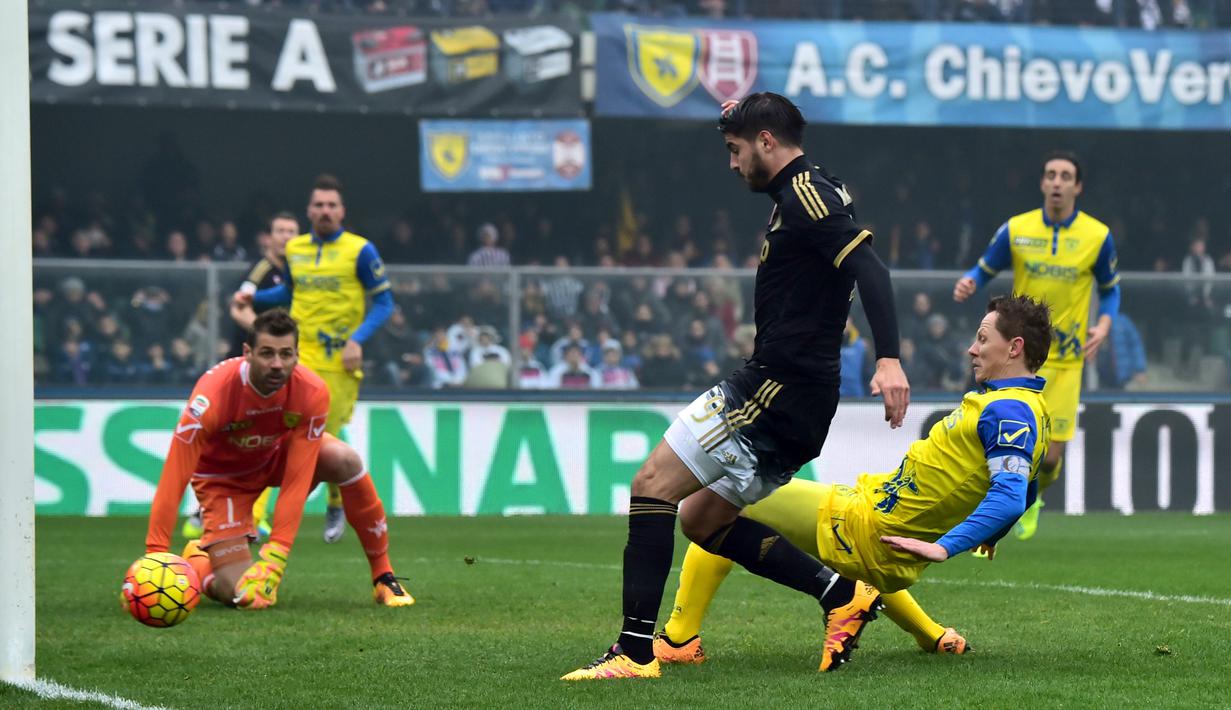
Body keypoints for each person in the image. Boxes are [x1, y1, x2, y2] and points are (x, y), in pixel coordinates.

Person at [563, 93, 909, 681]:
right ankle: (840, 594)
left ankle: (633, 653)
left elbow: (871, 268)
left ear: (766, 141)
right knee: (701, 521)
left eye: (735, 149)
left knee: (651, 487)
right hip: (800, 399)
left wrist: (889, 359)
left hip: (774, 390)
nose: (732, 163)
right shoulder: (808, 191)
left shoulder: (807, 194)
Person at [656, 295, 1051, 669]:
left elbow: (1011, 497)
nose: (972, 349)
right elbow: (1028, 482)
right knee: (732, 506)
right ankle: (932, 634)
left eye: (983, 339)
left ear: (1014, 347)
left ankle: (679, 639)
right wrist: (993, 533)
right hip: (877, 521)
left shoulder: (1008, 412)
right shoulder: (1032, 409)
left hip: (865, 524)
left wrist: (945, 547)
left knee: (720, 504)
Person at [143, 310, 414, 609]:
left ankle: (384, 577)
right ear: (247, 353)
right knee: (244, 595)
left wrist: (276, 557)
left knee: (343, 459)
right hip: (225, 481)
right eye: (267, 353)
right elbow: (175, 476)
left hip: (274, 458)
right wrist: (155, 555)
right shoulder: (211, 397)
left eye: (286, 354)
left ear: (297, 355)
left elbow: (297, 478)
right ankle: (197, 561)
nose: (277, 364)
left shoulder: (311, 391)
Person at [954, 150, 1120, 541]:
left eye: (1065, 176)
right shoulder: (1017, 229)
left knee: (1048, 458)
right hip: (1020, 356)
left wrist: (1104, 325)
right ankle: (990, 510)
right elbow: (984, 266)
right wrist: (970, 281)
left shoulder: (1098, 236)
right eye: (1051, 175)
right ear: (1043, 183)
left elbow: (1111, 290)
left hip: (1066, 360)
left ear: (1077, 187)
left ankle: (1034, 497)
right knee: (1002, 440)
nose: (1057, 182)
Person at [237, 175, 396, 544]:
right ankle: (254, 519)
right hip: (297, 357)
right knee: (276, 431)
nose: (325, 211)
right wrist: (254, 299)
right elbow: (289, 293)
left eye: (331, 205)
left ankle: (335, 501)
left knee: (326, 436)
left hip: (339, 359)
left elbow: (385, 302)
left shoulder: (361, 250)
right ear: (309, 211)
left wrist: (357, 340)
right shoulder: (296, 250)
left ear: (342, 211)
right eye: (319, 205)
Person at [184, 212, 301, 541]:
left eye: (292, 231)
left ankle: (244, 512)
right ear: (269, 237)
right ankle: (207, 508)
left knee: (268, 439)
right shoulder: (260, 271)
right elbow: (238, 306)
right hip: (247, 369)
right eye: (280, 231)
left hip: (274, 369)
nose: (286, 237)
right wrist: (267, 337)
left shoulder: (297, 273)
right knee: (233, 438)